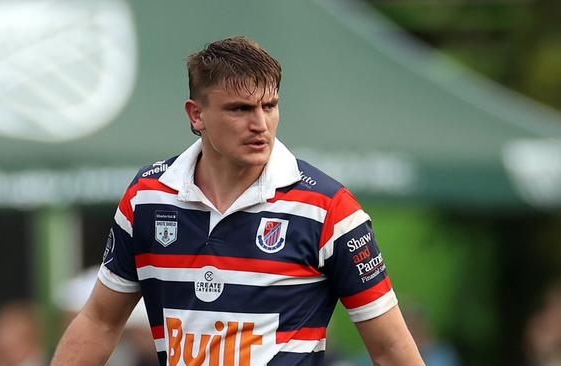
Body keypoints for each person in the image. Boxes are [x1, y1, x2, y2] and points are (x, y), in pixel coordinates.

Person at [52, 36, 423, 365]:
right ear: (197, 115)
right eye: (241, 109)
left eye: (269, 106)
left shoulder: (328, 209)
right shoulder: (148, 198)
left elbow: (391, 349)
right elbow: (99, 321)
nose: (260, 123)